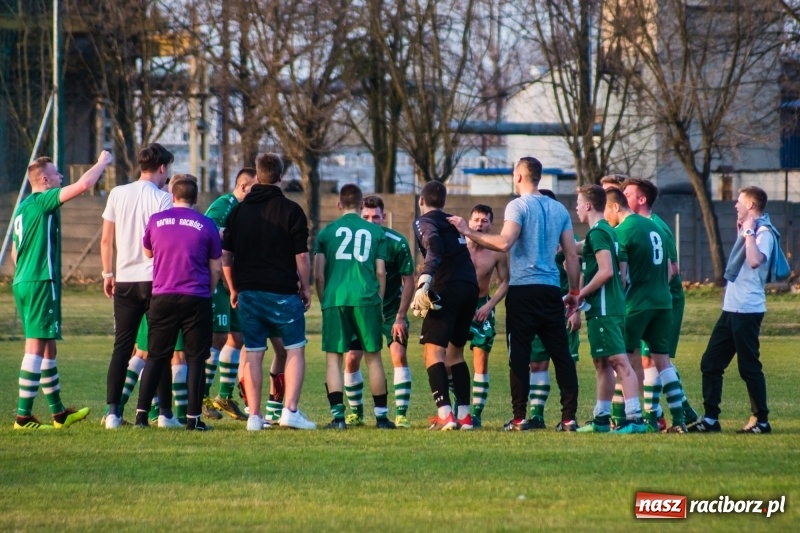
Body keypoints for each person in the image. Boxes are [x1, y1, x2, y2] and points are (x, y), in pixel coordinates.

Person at [448, 157, 581, 432]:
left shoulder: (517, 205)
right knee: (562, 355)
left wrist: (467, 230)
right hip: (551, 289)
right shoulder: (559, 209)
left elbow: (504, 241)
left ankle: (520, 418)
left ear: (519, 176)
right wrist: (574, 292)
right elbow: (570, 254)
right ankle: (569, 419)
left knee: (519, 356)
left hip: (523, 290)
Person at [11, 151, 114, 429]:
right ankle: (22, 417)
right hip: (39, 282)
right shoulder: (43, 201)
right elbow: (82, 186)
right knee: (35, 347)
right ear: (44, 179)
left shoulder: (23, 207)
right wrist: (102, 163)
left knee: (48, 348)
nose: (60, 177)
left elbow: (13, 254)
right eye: (56, 174)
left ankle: (58, 413)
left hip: (24, 281)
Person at [221, 153, 315, 431]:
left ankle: (254, 416)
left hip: (248, 292)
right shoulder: (292, 210)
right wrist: (306, 287)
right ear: (280, 177)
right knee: (295, 349)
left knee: (253, 353)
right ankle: (290, 411)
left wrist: (233, 288)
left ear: (257, 177)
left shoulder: (237, 211)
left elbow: (226, 256)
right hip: (284, 292)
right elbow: (302, 257)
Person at [134, 176, 221, 431]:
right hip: (196, 297)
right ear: (195, 199)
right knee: (196, 359)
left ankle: (141, 417)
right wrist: (209, 290)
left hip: (162, 296)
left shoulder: (156, 221)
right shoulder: (206, 225)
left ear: (172, 196)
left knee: (156, 357)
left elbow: (148, 252)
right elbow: (216, 266)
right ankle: (193, 419)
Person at [689, 186, 775, 434]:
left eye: (739, 202)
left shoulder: (763, 232)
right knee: (711, 362)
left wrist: (748, 233)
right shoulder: (748, 229)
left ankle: (762, 421)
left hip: (748, 310)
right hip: (731, 310)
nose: (735, 205)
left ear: (750, 205)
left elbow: (755, 260)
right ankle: (711, 419)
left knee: (749, 366)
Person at [101, 143, 174, 429]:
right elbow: (163, 243)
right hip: (155, 280)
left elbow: (107, 239)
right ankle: (161, 414)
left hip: (125, 279)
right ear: (163, 168)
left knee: (122, 348)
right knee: (160, 349)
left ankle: (112, 413)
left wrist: (108, 273)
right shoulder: (162, 198)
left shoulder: (118, 193)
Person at [604, 187, 688, 433]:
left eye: (607, 209)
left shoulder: (622, 231)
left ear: (615, 207)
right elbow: (670, 268)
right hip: (663, 302)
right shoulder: (655, 226)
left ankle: (620, 417)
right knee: (663, 362)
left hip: (637, 304)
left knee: (622, 360)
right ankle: (680, 420)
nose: (606, 215)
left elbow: (620, 277)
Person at [622, 177, 698, 428]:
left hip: (664, 300)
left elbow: (673, 268)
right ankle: (678, 413)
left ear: (641, 200)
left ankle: (649, 414)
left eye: (628, 193)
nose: (623, 197)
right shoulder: (644, 225)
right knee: (654, 358)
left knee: (643, 358)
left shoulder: (655, 227)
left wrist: (650, 284)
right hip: (659, 299)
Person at [315, 185, 394, 430]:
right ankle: (381, 418)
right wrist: (379, 303)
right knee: (373, 358)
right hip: (367, 297)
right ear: (362, 206)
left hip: (335, 298)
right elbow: (381, 272)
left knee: (333, 360)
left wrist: (324, 299)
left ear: (339, 205)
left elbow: (318, 274)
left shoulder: (326, 233)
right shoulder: (375, 232)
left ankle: (338, 418)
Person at [571, 185, 646, 433]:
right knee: (601, 363)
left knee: (619, 362)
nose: (576, 208)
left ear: (589, 205)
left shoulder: (599, 233)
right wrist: (565, 247)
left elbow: (606, 271)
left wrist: (578, 295)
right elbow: (588, 247)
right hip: (602, 308)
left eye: (579, 203)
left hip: (605, 308)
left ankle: (635, 419)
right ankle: (601, 419)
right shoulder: (605, 231)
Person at [344, 195, 415, 428]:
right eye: (366, 217)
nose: (371, 221)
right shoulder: (351, 244)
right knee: (352, 359)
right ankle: (356, 413)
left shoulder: (398, 242)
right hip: (361, 310)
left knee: (398, 354)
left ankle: (401, 414)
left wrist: (401, 317)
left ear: (384, 218)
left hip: (391, 310)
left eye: (376, 217)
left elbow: (409, 281)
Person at [413, 181, 479, 430]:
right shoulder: (453, 220)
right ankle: (464, 415)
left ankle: (445, 415)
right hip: (469, 287)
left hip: (445, 287)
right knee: (455, 354)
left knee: (432, 352)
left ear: (422, 201)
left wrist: (424, 282)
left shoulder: (424, 221)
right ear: (444, 202)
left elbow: (434, 245)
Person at [202, 167, 257, 421]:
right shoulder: (224, 205)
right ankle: (202, 398)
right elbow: (209, 238)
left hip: (235, 282)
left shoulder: (245, 210)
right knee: (217, 337)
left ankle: (223, 396)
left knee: (238, 336)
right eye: (256, 187)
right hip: (219, 282)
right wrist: (225, 279)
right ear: (244, 187)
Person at [525, 189, 581, 430]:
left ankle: (568, 416)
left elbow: (580, 272)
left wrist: (577, 309)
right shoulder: (530, 238)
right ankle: (537, 415)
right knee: (536, 363)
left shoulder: (568, 238)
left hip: (564, 309)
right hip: (536, 308)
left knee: (564, 363)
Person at [464, 204, 509, 429]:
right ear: (469, 221)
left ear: (491, 224)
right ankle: (458, 408)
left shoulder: (496, 251)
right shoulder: (458, 247)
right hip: (459, 308)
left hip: (482, 307)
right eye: (476, 220)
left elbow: (505, 282)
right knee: (446, 360)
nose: (479, 225)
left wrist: (490, 305)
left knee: (481, 363)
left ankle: (476, 414)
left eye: (484, 221)